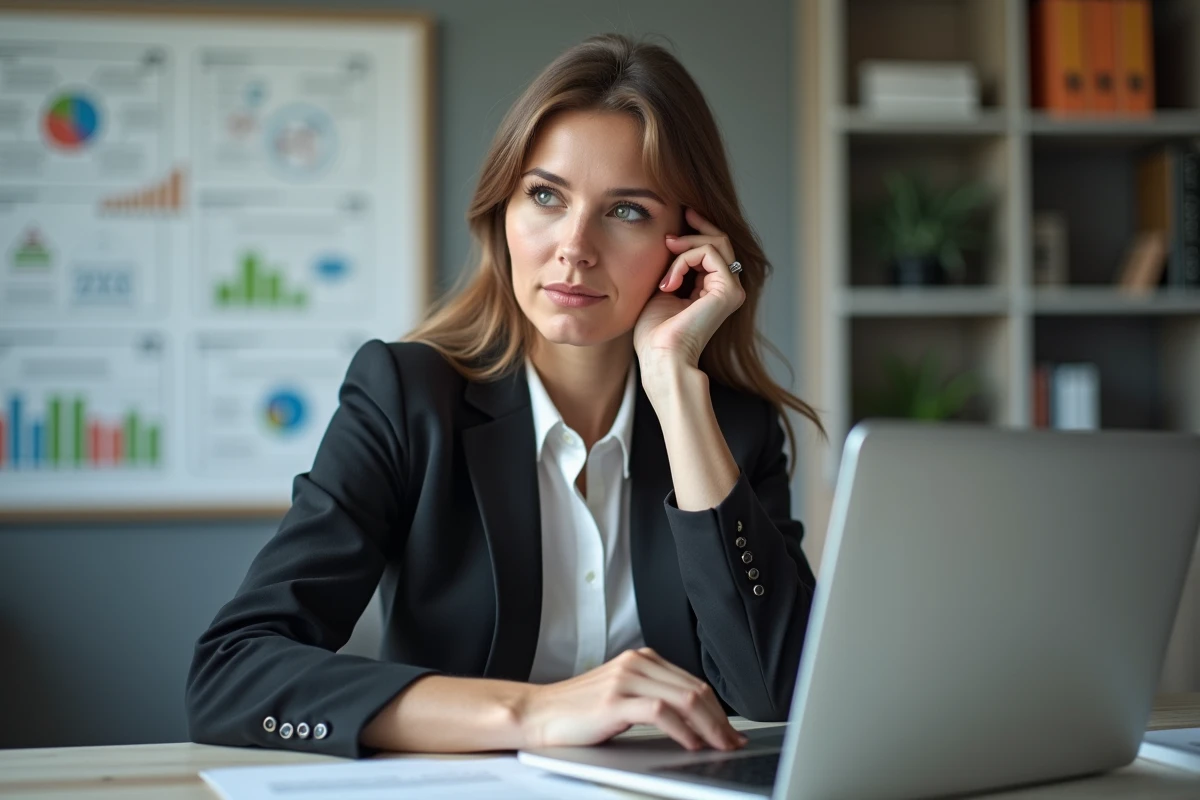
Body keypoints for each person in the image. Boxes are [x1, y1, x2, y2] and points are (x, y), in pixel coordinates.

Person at [185, 32, 823, 760]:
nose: (574, 246)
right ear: (503, 213)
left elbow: (777, 690)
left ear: (689, 245)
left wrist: (676, 385)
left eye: (627, 211)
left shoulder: (728, 428)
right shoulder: (406, 398)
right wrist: (535, 713)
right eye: (546, 196)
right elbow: (231, 673)